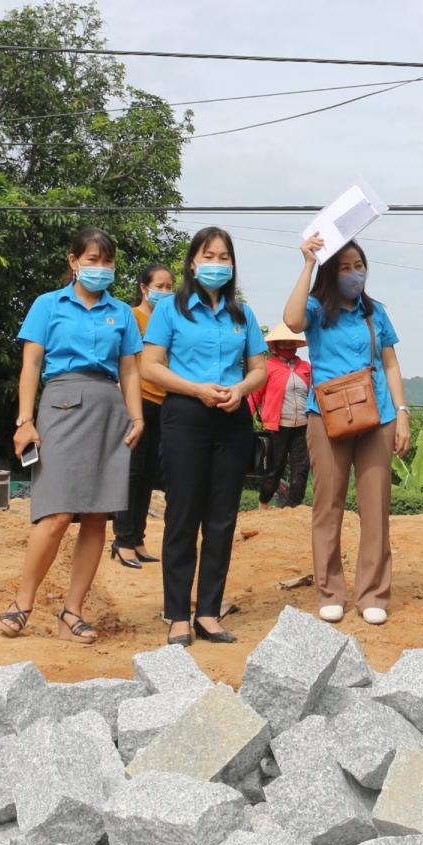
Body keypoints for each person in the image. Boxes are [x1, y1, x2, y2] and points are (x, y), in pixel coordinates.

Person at [0, 228, 145, 644]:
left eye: (108, 261)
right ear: (73, 261)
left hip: (109, 410)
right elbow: (30, 365)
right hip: (60, 404)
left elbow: (131, 369)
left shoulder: (121, 312)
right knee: (57, 513)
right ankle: (22, 604)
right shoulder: (48, 305)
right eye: (93, 259)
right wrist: (24, 420)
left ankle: (72, 613)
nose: (100, 268)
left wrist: (137, 418)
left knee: (98, 515)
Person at [140, 227, 268, 646]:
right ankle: (177, 614)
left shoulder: (241, 315)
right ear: (193, 261)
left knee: (221, 520)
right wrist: (196, 389)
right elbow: (150, 366)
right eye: (209, 255)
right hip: (185, 415)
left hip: (232, 421)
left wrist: (241, 391)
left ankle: (208, 613)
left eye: (224, 257)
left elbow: (259, 369)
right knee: (182, 515)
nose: (217, 264)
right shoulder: (171, 310)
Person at [283, 236, 409, 626]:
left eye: (359, 265)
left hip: (379, 416)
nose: (355, 273)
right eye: (344, 267)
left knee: (376, 507)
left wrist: (402, 412)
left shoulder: (376, 313)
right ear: (330, 273)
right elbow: (291, 321)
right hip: (327, 415)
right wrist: (307, 263)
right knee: (328, 505)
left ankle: (372, 593)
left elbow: (389, 363)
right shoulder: (317, 310)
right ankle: (330, 591)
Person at [112, 263, 174, 568]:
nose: (164, 291)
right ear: (143, 288)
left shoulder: (170, 319)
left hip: (163, 402)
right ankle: (122, 540)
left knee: (149, 474)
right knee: (131, 473)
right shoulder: (131, 316)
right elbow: (123, 361)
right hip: (135, 402)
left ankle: (137, 538)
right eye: (159, 286)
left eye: (168, 286)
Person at [249, 324, 312, 506]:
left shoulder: (306, 367)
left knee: (301, 468)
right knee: (274, 469)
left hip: (302, 426)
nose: (286, 346)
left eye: (290, 343)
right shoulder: (267, 367)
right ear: (275, 346)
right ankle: (263, 505)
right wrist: (245, 419)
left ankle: (293, 508)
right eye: (282, 343)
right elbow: (255, 395)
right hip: (276, 427)